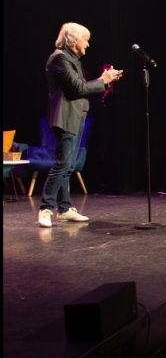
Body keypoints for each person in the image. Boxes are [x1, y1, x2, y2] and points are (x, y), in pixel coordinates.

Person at [38, 23, 122, 228]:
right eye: (85, 39)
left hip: (77, 116)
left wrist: (105, 80)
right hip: (65, 116)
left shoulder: (72, 58)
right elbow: (78, 87)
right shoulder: (60, 58)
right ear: (74, 40)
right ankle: (45, 208)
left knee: (69, 165)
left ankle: (64, 209)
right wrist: (104, 80)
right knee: (63, 164)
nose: (88, 44)